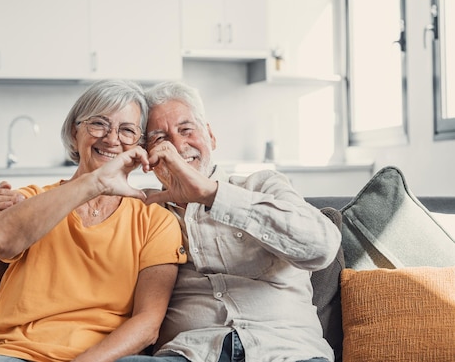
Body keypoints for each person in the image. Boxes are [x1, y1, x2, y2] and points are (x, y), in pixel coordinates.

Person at [116, 81, 342, 362]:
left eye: (186, 130)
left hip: (287, 351)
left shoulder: (263, 185)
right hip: (189, 353)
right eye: (160, 138)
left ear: (210, 136)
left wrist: (211, 194)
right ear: (147, 157)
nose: (177, 145)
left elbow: (321, 247)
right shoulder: (145, 212)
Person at [0, 79, 187, 362]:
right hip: (16, 353)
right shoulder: (34, 199)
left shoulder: (155, 220)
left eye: (127, 130)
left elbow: (147, 324)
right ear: (75, 133)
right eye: (98, 124)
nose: (111, 139)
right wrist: (93, 183)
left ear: (139, 145)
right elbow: (2, 241)